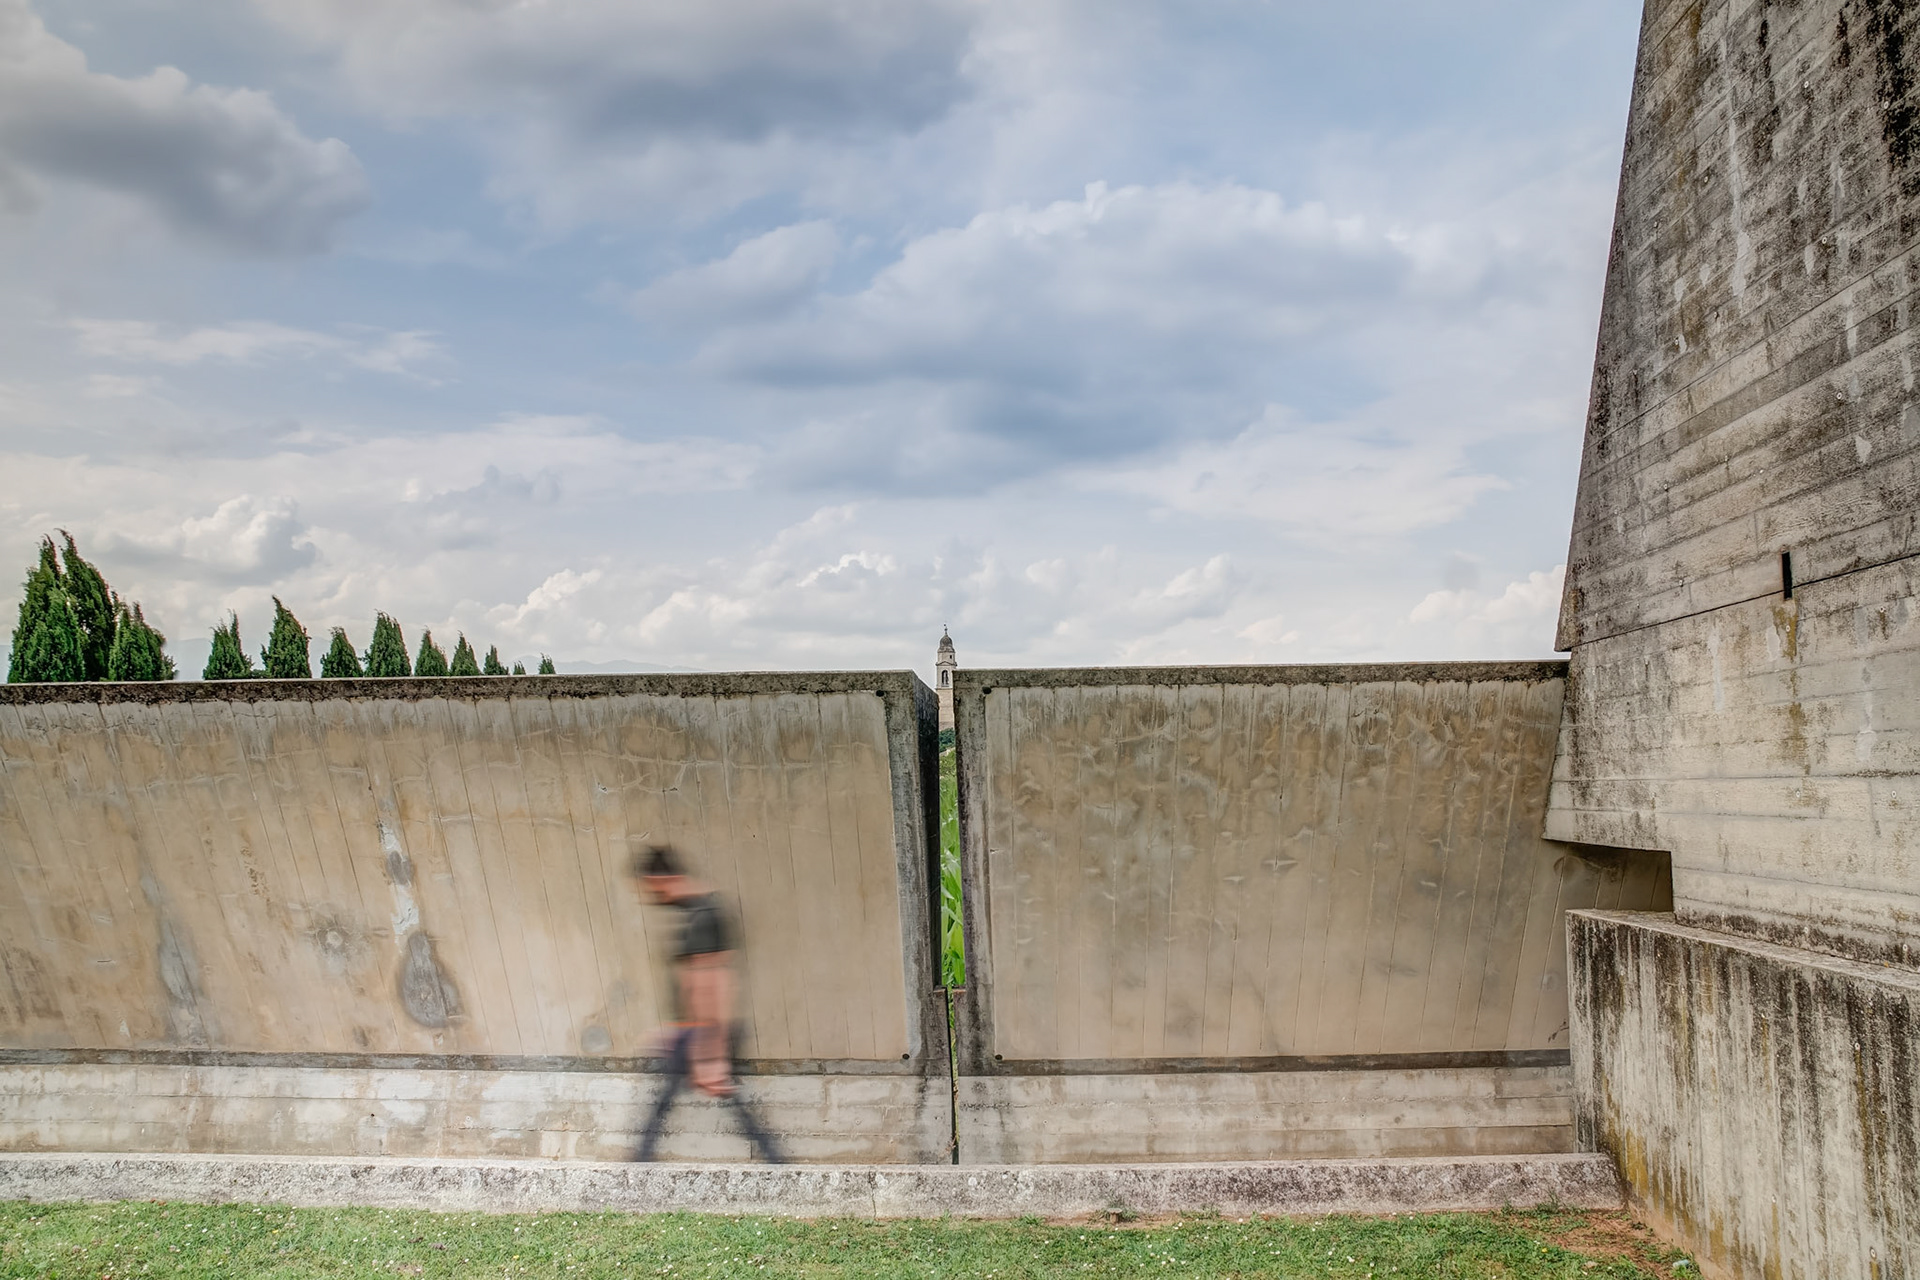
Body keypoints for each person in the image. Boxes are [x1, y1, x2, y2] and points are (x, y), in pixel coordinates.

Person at [629, 844, 785, 1163]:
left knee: (684, 1103)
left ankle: (634, 1172)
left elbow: (711, 985)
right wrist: (676, 1029)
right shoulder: (699, 909)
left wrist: (709, 1055)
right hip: (697, 1031)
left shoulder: (702, 915)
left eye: (650, 888)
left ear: (662, 880)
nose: (649, 896)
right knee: (667, 1102)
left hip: (706, 1033)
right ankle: (779, 1165)